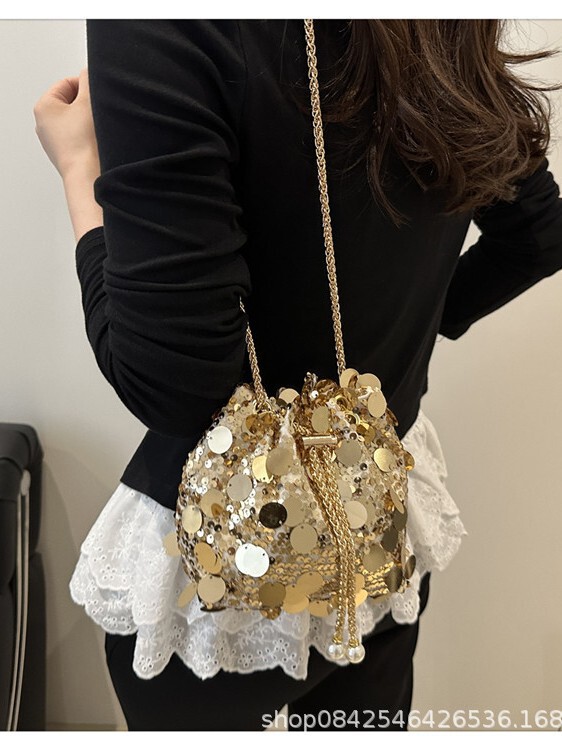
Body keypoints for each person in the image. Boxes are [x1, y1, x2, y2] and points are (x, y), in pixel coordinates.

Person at [34, 19, 562, 732]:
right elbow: (537, 235)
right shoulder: (443, 22)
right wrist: (409, 330)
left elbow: (171, 385)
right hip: (380, 526)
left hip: (215, 599)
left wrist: (78, 170)